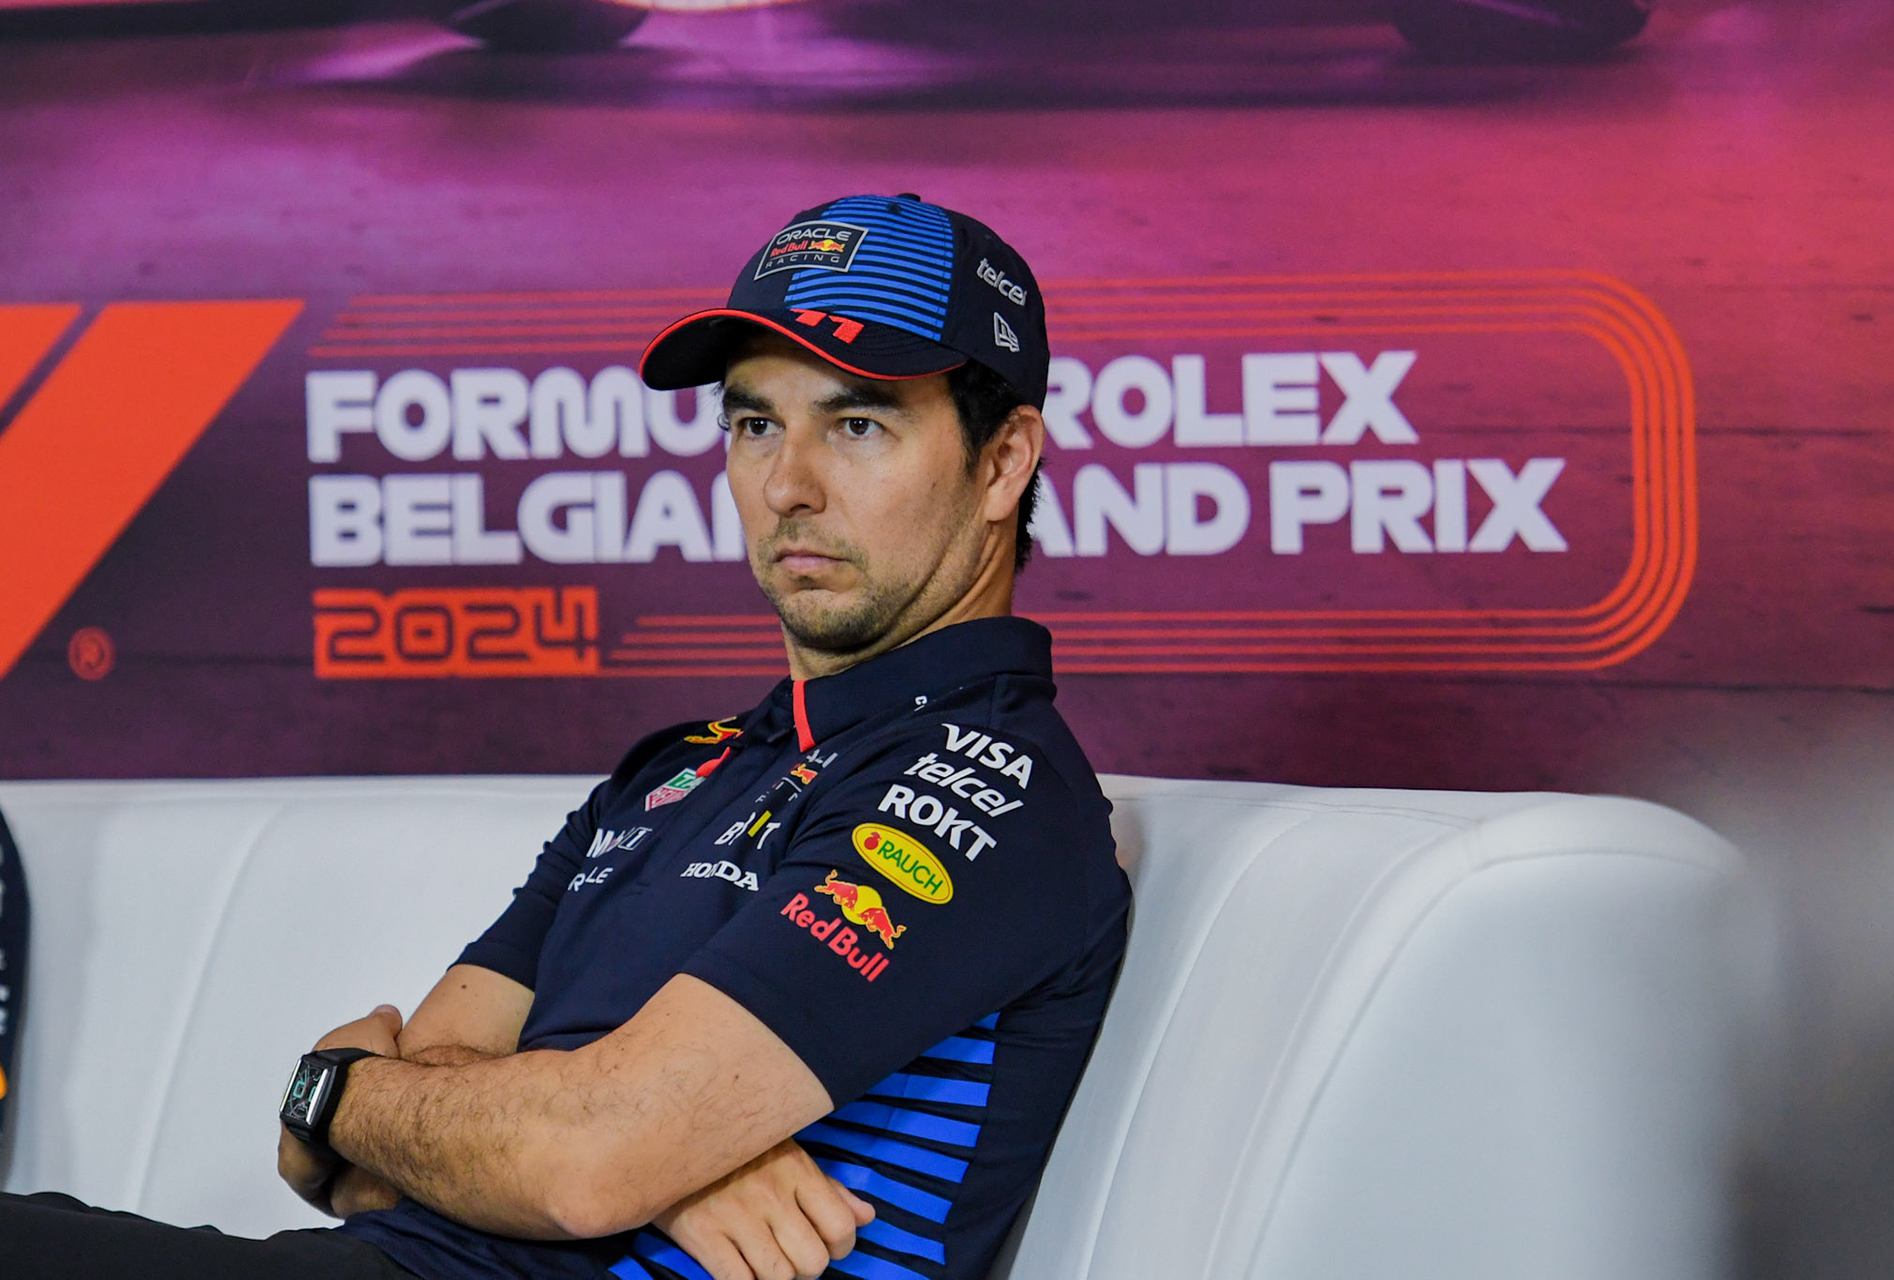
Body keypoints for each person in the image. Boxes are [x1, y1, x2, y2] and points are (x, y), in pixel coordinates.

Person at [0, 193, 1131, 1280]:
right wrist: (600, 1140)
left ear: (1002, 462)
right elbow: (374, 1169)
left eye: (858, 423)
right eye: (755, 423)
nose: (788, 484)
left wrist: (346, 1090)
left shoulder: (992, 783)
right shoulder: (679, 768)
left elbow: (574, 1165)